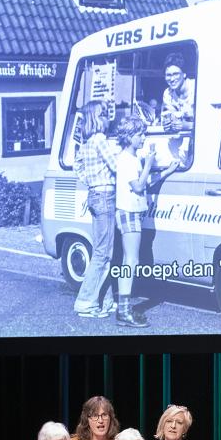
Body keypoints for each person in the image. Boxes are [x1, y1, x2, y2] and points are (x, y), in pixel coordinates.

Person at [112, 115, 179, 329]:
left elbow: (144, 184)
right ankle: (124, 311)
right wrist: (149, 164)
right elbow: (139, 187)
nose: (143, 138)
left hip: (132, 211)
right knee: (131, 260)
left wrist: (166, 172)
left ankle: (123, 309)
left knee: (130, 259)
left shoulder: (130, 159)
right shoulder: (127, 160)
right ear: (129, 136)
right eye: (140, 134)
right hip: (129, 211)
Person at [73, 100, 120, 319]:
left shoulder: (87, 141)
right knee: (103, 253)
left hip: (94, 194)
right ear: (96, 118)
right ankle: (85, 302)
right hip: (105, 195)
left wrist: (90, 180)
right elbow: (116, 166)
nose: (108, 118)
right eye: (104, 114)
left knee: (103, 251)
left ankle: (105, 301)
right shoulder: (101, 139)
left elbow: (77, 165)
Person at [160, 52, 196, 133]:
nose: (172, 79)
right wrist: (168, 124)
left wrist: (186, 126)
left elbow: (207, 120)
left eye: (176, 74)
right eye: (168, 75)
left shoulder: (196, 87)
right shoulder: (168, 94)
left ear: (184, 74)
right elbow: (172, 119)